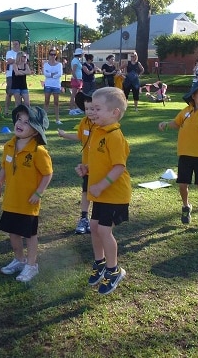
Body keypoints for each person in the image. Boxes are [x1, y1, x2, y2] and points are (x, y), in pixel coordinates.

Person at [78, 87, 132, 295]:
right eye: (91, 108)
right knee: (94, 227)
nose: (93, 112)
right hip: (101, 193)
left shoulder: (115, 136)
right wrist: (86, 169)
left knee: (103, 230)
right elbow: (101, 162)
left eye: (97, 108)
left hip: (115, 194)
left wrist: (100, 185)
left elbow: (119, 167)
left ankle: (114, 269)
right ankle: (99, 263)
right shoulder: (98, 132)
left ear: (114, 113)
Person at [0, 105, 53, 283]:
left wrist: (39, 193)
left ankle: (32, 265)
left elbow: (47, 174)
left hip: (29, 202)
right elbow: (4, 168)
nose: (20, 123)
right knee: (13, 232)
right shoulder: (9, 145)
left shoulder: (38, 151)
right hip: (11, 200)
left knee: (30, 235)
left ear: (35, 131)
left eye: (27, 122)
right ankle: (19, 260)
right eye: (19, 119)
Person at [158, 83, 198, 228]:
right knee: (182, 184)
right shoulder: (186, 111)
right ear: (193, 96)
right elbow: (176, 123)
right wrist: (166, 124)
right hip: (185, 154)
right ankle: (186, 207)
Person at [58, 91, 95, 235]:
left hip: (100, 168)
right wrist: (64, 135)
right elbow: (79, 136)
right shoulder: (84, 123)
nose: (90, 112)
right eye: (87, 109)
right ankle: (84, 218)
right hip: (86, 167)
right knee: (86, 191)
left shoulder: (102, 125)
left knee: (97, 193)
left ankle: (95, 221)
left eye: (93, 108)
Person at [43, 48, 63, 125]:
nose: (52, 56)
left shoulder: (59, 64)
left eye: (54, 54)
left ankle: (57, 119)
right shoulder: (46, 64)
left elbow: (59, 74)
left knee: (56, 102)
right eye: (51, 54)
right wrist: (53, 74)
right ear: (49, 55)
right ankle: (44, 118)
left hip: (56, 85)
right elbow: (45, 74)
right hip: (48, 84)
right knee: (46, 101)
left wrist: (51, 75)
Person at [4, 40, 20, 115]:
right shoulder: (9, 52)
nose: (14, 45)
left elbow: (25, 62)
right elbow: (9, 61)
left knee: (18, 93)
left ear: (19, 45)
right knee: (9, 93)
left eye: (16, 44)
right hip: (10, 74)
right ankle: (6, 110)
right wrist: (19, 60)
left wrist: (15, 60)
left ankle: (17, 110)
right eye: (13, 44)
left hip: (20, 74)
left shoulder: (21, 53)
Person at [69, 48, 84, 115]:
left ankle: (76, 108)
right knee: (74, 94)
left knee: (77, 95)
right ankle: (71, 109)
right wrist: (77, 79)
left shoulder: (77, 60)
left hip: (79, 79)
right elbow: (73, 71)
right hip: (76, 79)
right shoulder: (75, 61)